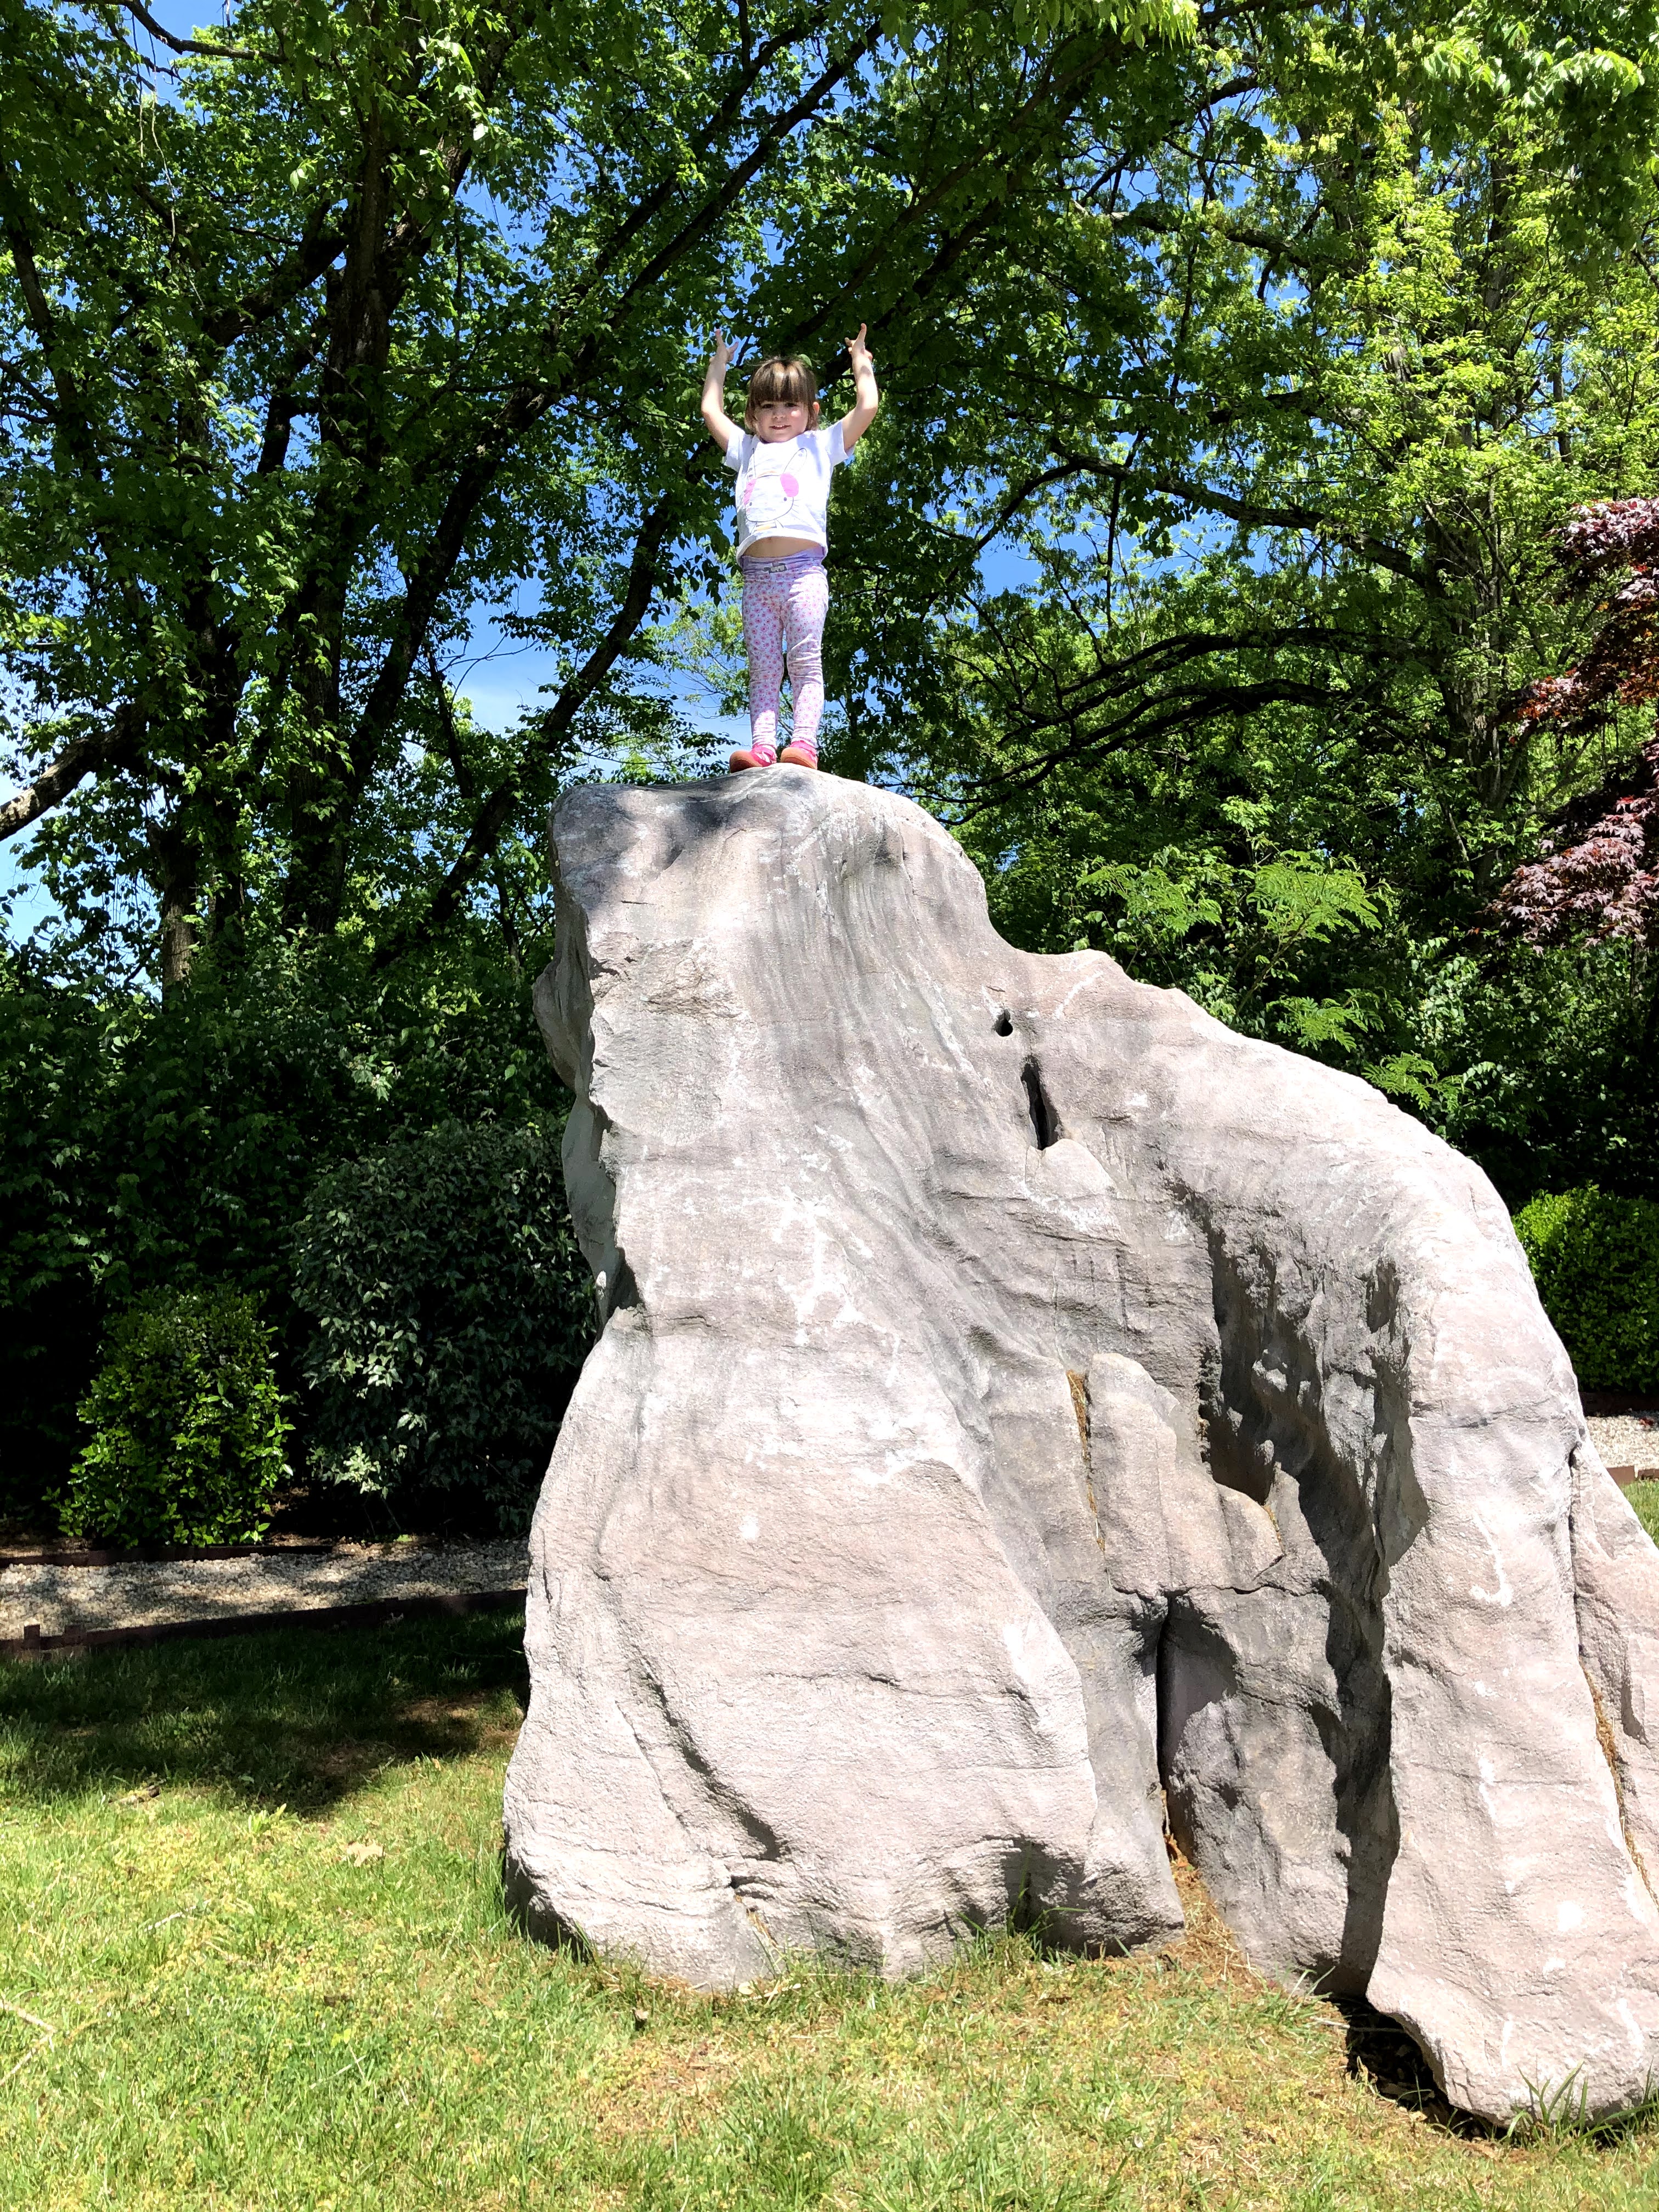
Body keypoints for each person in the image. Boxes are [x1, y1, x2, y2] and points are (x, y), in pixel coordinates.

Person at [699, 324, 880, 772]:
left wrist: (861, 362)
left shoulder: (821, 445)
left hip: (804, 575)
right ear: (752, 415)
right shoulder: (746, 449)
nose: (779, 416)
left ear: (812, 412)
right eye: (768, 406)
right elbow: (709, 410)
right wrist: (719, 365)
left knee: (804, 661)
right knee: (763, 667)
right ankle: (762, 748)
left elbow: (868, 406)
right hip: (757, 582)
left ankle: (803, 744)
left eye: (790, 405)